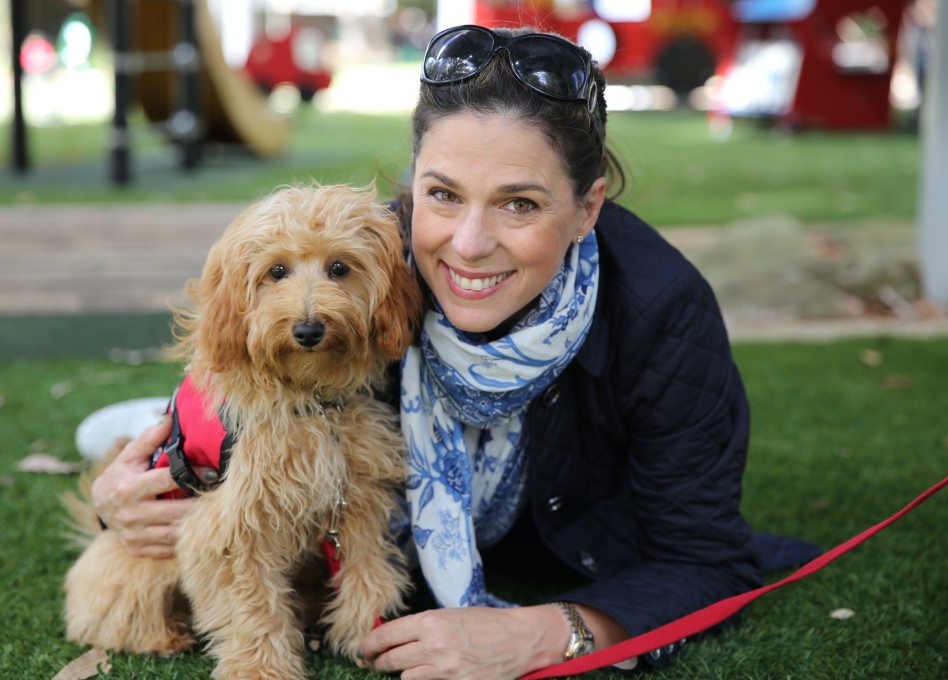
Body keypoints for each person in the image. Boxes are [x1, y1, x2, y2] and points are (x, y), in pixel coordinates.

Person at [89, 24, 811, 679]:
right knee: (117, 440)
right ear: (414, 188)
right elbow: (239, 390)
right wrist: (125, 496)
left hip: (554, 553)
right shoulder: (373, 253)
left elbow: (707, 559)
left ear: (586, 209)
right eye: (443, 194)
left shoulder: (663, 313)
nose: (468, 245)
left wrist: (549, 631)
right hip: (301, 484)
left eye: (519, 203)